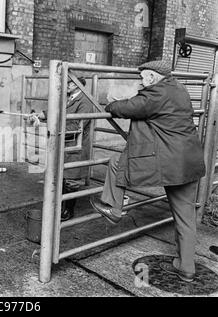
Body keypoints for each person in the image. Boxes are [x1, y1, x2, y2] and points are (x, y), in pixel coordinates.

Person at [90, 60, 205, 282]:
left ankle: (114, 208)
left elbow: (124, 108)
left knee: (117, 162)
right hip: (190, 162)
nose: (141, 82)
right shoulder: (178, 89)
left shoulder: (155, 94)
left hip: (170, 162)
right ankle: (186, 267)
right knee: (185, 218)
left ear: (152, 77)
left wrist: (110, 104)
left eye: (143, 78)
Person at [34, 76, 94, 221]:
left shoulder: (85, 101)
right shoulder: (68, 97)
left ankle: (68, 210)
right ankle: (60, 207)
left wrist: (50, 128)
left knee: (71, 180)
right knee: (61, 176)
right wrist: (39, 115)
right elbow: (56, 111)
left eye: (70, 83)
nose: (66, 85)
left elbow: (77, 126)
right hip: (63, 142)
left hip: (74, 145)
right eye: (66, 82)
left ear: (79, 85)